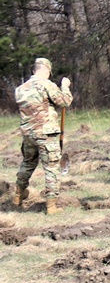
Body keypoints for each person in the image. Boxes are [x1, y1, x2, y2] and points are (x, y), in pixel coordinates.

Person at [13, 57, 73, 215]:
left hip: (28, 133)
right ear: (47, 71)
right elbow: (65, 102)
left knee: (27, 163)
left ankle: (18, 194)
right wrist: (65, 86)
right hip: (46, 133)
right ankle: (51, 206)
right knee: (52, 167)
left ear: (34, 70)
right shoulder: (46, 85)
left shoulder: (20, 89)